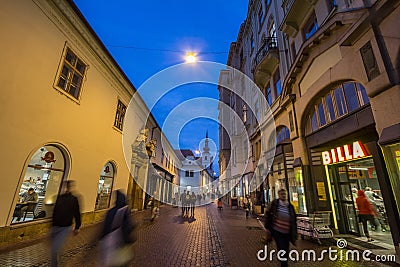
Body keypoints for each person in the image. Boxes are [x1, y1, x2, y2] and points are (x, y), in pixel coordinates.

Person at [99, 190, 135, 267]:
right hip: (120, 244)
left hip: (110, 244)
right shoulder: (124, 211)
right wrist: (129, 239)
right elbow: (127, 227)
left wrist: (102, 239)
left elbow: (105, 228)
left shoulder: (110, 211)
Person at [50, 181, 81, 267]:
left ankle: (55, 265)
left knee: (54, 249)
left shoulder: (74, 199)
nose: (66, 188)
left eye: (68, 187)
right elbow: (55, 211)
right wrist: (52, 224)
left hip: (65, 227)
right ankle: (59, 260)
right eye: (66, 187)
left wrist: (77, 227)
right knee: (55, 248)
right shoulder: (59, 198)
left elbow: (77, 213)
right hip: (55, 226)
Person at [265, 189, 297, 267]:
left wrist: (294, 231)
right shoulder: (275, 204)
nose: (283, 195)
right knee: (281, 247)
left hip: (287, 231)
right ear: (279, 195)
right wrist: (268, 228)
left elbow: (294, 219)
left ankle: (284, 261)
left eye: (284, 194)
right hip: (277, 230)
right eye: (282, 194)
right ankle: (284, 264)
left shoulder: (290, 206)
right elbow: (268, 214)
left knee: (286, 248)